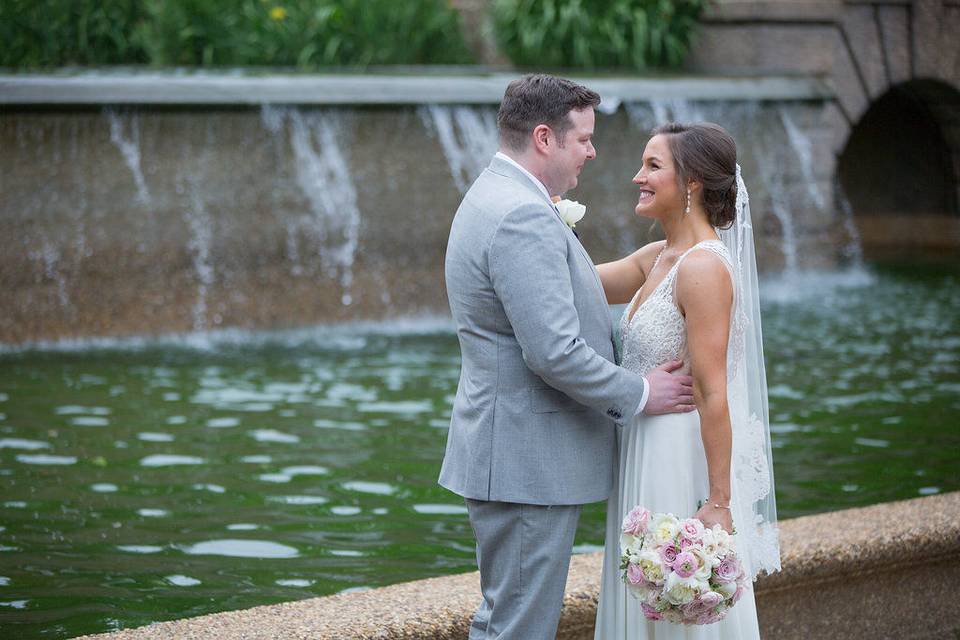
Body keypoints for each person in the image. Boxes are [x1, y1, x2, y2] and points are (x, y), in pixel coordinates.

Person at [439, 75, 698, 639]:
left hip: (511, 452)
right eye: (583, 138)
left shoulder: (497, 194)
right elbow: (554, 353)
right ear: (544, 138)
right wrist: (642, 394)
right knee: (517, 628)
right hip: (524, 461)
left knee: (507, 620)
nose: (592, 150)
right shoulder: (522, 215)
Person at [593, 122, 781, 638]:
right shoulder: (656, 259)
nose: (638, 177)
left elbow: (713, 390)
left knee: (673, 605)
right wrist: (545, 216)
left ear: (692, 181)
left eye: (653, 166)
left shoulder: (701, 268)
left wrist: (718, 501)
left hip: (675, 455)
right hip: (640, 443)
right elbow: (574, 281)